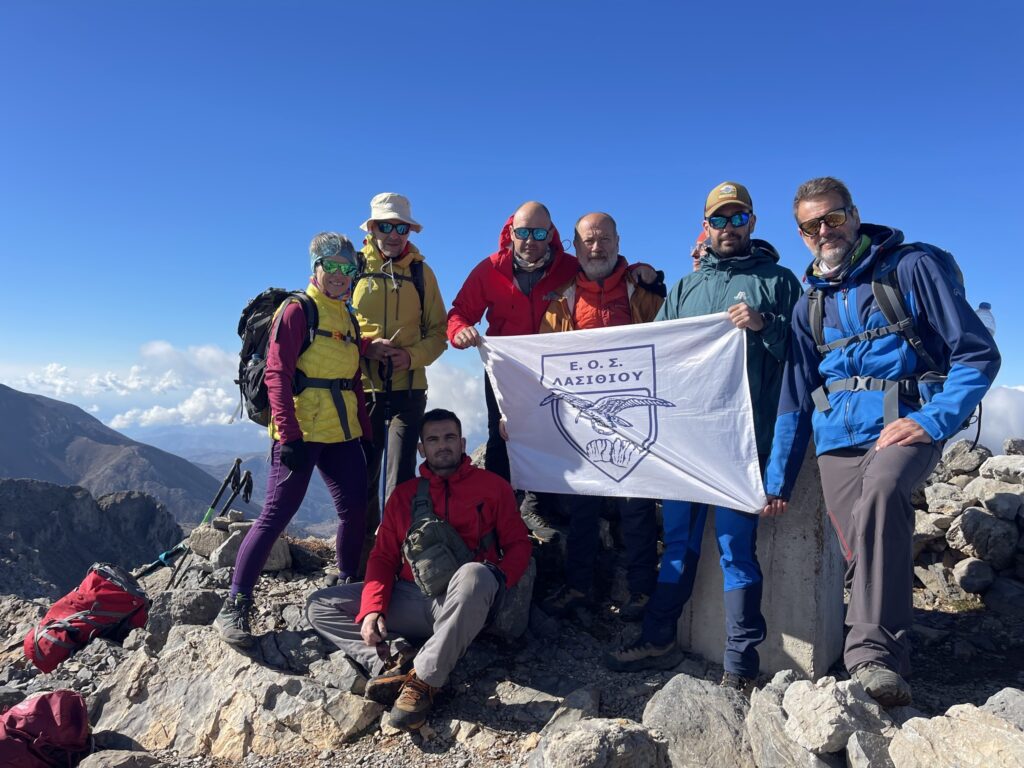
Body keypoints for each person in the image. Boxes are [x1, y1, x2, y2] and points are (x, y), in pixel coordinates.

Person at [762, 176, 1000, 706]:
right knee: (861, 547)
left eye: (833, 218)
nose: (825, 231)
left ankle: (871, 659)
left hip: (906, 422)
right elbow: (794, 397)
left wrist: (934, 419)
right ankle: (890, 654)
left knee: (883, 493)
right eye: (812, 225)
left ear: (853, 215)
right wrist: (778, 479)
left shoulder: (910, 268)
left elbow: (977, 353)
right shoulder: (808, 305)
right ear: (801, 235)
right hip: (835, 440)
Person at [605, 182, 803, 691]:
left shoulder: (779, 281)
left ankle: (740, 664)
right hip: (688, 445)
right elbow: (658, 355)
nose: (728, 228)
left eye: (738, 218)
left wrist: (765, 324)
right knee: (677, 544)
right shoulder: (686, 289)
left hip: (742, 445)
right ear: (706, 227)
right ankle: (659, 637)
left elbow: (804, 357)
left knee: (736, 550)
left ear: (752, 222)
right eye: (719, 219)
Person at [306, 409, 532, 732]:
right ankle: (396, 660)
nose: (443, 445)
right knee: (320, 605)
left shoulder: (492, 488)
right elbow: (383, 558)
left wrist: (498, 580)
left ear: (462, 443)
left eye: (450, 438)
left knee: (475, 574)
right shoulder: (404, 496)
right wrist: (373, 609)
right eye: (433, 440)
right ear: (421, 449)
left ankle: (423, 682)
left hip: (464, 601)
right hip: (412, 597)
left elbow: (519, 545)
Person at [447, 202, 659, 541]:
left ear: (551, 234)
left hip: (557, 369)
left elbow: (604, 268)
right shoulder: (489, 269)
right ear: (511, 233)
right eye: (523, 232)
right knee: (501, 438)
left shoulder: (568, 266)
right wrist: (460, 331)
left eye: (538, 233)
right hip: (506, 369)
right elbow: (459, 311)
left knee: (551, 433)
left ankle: (537, 507)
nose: (530, 240)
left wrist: (639, 270)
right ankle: (496, 513)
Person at [215, 233, 371, 649]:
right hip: (301, 432)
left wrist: (366, 432)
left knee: (355, 510)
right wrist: (288, 435)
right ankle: (235, 603)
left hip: (342, 432)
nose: (339, 274)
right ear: (315, 267)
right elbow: (277, 374)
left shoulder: (347, 317)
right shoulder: (298, 310)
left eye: (347, 268)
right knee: (275, 515)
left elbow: (353, 379)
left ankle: (346, 583)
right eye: (331, 266)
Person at [534, 212, 664, 621]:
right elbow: (544, 360)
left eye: (604, 239)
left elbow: (672, 339)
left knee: (637, 507)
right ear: (574, 247)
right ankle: (578, 588)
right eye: (588, 240)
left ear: (618, 242)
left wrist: (655, 280)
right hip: (581, 427)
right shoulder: (562, 301)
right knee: (582, 509)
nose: (597, 247)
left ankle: (642, 592)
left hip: (635, 425)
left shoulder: (642, 291)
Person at [352, 192, 448, 572]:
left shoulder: (422, 273)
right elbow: (333, 327)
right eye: (386, 226)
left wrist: (410, 357)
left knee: (400, 479)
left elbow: (438, 332)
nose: (394, 234)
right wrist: (366, 347)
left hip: (408, 390)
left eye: (401, 228)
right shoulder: (353, 267)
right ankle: (361, 563)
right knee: (362, 478)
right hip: (360, 390)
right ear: (372, 228)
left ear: (409, 231)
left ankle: (394, 561)